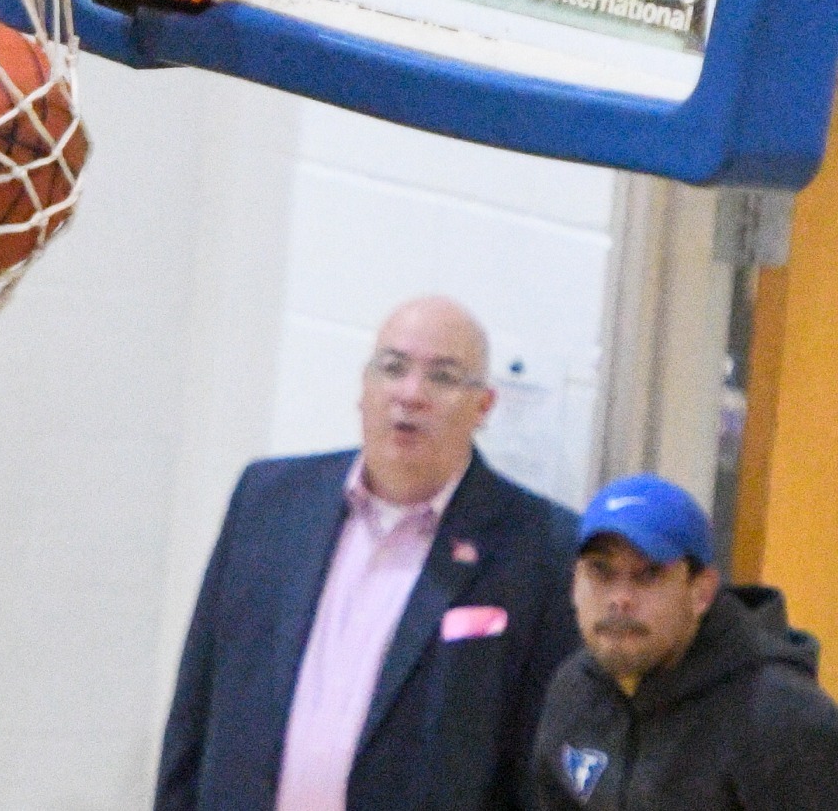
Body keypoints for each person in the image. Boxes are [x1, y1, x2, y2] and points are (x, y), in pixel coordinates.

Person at [155, 296, 582, 811]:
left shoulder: (540, 547)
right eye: (393, 368)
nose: (411, 394)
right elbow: (195, 708)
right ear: (363, 387)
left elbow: (536, 766)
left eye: (443, 377)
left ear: (483, 406)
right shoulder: (268, 501)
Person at [533, 473, 838, 809]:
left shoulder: (780, 716)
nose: (620, 599)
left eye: (649, 574)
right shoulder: (574, 689)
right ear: (574, 582)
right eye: (601, 572)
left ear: (701, 592)